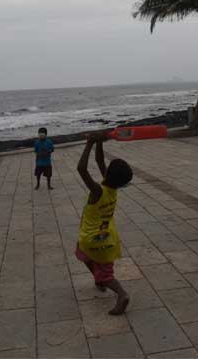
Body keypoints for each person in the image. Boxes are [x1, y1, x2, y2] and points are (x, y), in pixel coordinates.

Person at [75, 133, 133, 315]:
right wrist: (99, 142)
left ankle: (121, 294)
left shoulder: (98, 190)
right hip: (107, 238)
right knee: (82, 254)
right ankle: (99, 280)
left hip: (94, 240)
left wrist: (90, 142)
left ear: (108, 173)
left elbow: (81, 169)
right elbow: (100, 161)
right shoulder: (112, 189)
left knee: (105, 273)